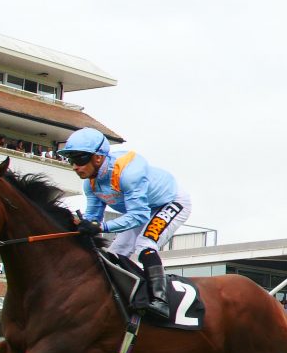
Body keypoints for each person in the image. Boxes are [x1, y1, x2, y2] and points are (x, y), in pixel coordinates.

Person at [58, 126, 191, 319]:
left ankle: (160, 300)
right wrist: (81, 225)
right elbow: (93, 219)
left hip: (171, 202)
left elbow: (138, 216)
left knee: (145, 243)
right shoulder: (90, 183)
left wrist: (100, 227)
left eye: (79, 159)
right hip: (143, 209)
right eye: (71, 160)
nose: (74, 166)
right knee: (115, 253)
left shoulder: (128, 173)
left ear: (98, 157)